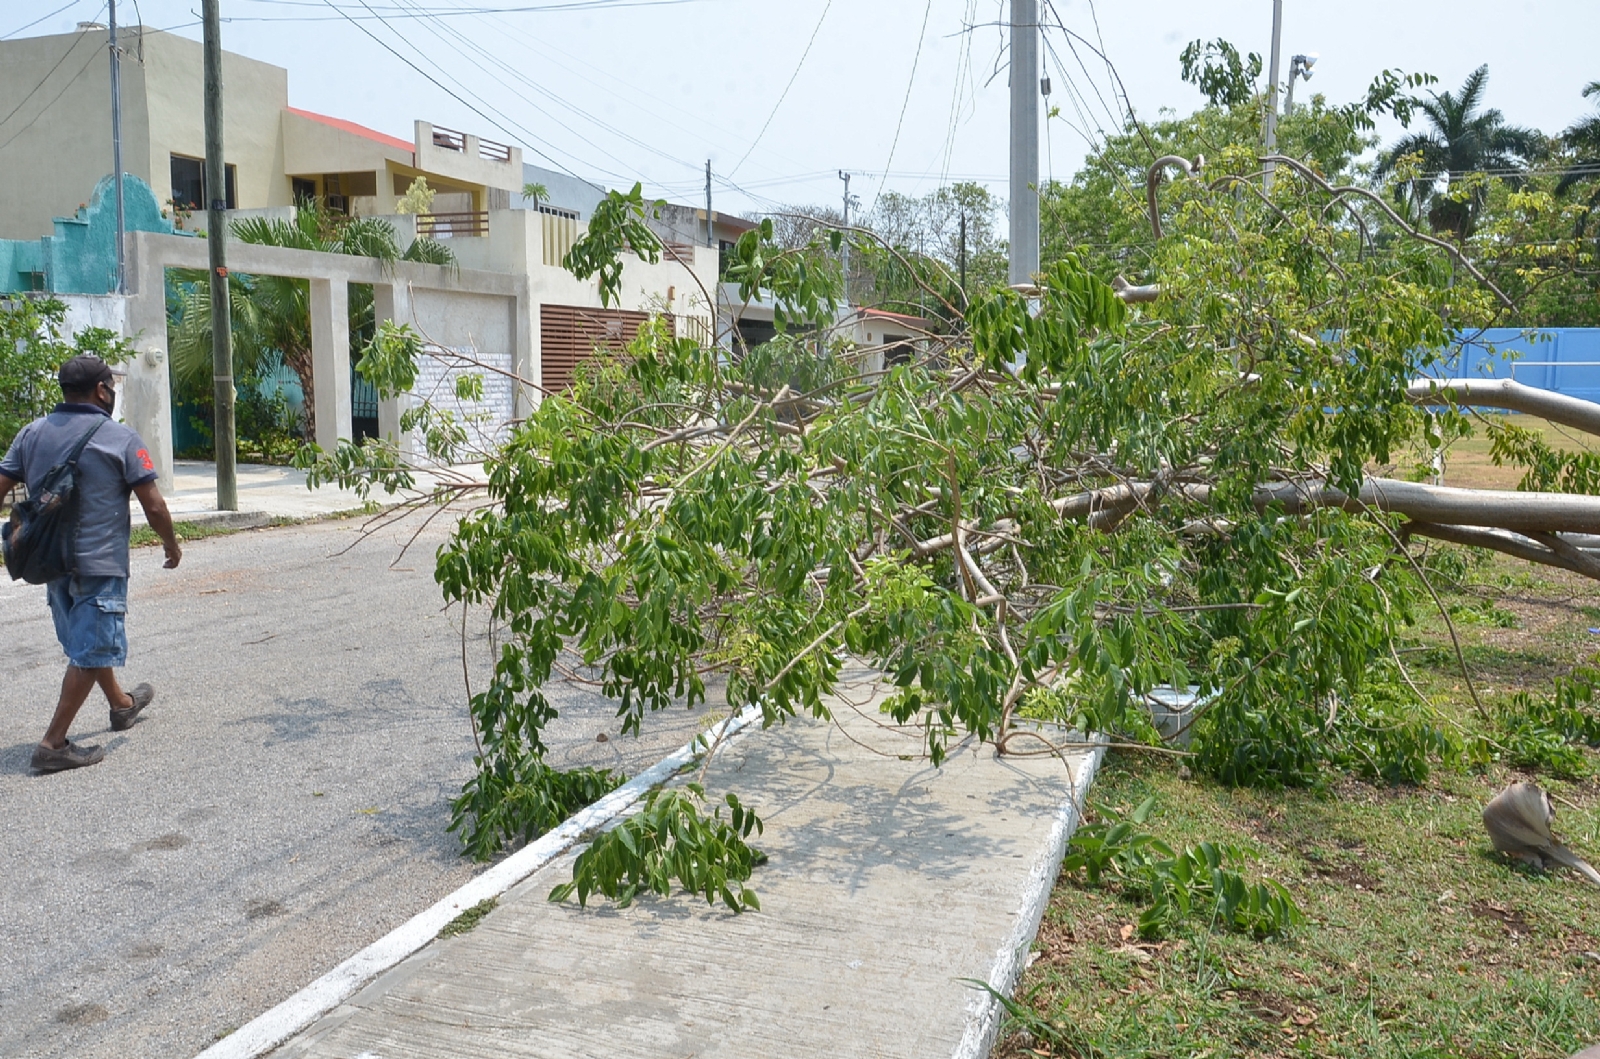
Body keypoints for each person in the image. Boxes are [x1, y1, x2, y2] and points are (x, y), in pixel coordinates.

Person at [0, 354, 182, 772]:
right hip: (99, 563)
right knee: (91, 647)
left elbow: (2, 484)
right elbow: (153, 505)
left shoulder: (31, 433)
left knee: (87, 640)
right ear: (102, 390)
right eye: (110, 386)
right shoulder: (120, 437)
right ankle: (53, 743)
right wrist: (171, 544)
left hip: (50, 563)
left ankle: (121, 705)